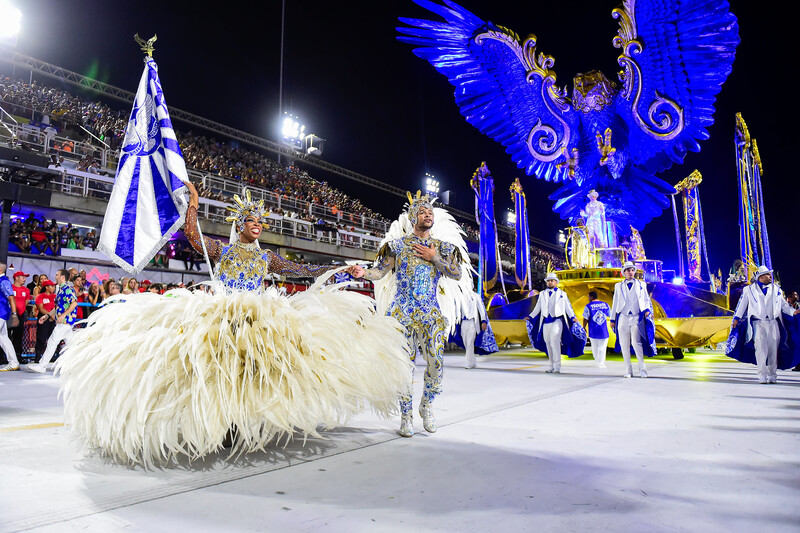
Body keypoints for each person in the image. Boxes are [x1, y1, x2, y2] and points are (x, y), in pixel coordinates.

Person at [55, 183, 411, 466]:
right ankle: (220, 427)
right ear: (240, 225)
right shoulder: (223, 251)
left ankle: (248, 426)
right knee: (216, 375)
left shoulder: (266, 257)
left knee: (254, 374)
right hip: (221, 321)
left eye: (261, 222)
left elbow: (303, 271)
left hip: (259, 323)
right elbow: (193, 238)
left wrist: (337, 269)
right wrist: (193, 203)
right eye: (252, 221)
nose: (258, 226)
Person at [351, 191, 470, 438]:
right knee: (404, 367)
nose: (428, 215)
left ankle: (426, 406)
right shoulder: (396, 246)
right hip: (401, 312)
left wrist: (434, 257)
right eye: (423, 212)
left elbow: (457, 274)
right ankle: (405, 415)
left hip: (430, 313)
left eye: (430, 212)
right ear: (413, 217)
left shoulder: (444, 248)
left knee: (436, 363)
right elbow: (380, 272)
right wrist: (364, 274)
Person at [728, 266, 800, 383]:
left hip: (773, 323)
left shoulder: (776, 289)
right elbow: (742, 305)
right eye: (768, 274)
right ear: (761, 277)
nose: (770, 276)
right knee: (760, 349)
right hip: (758, 323)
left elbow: (784, 306)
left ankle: (772, 375)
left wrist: (793, 312)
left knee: (773, 350)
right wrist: (736, 318)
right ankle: (762, 374)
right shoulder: (749, 290)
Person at [526, 272, 585, 373]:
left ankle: (557, 367)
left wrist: (572, 317)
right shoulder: (542, 294)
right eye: (548, 281)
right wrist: (530, 317)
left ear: (556, 282)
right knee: (548, 343)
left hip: (557, 320)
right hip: (545, 322)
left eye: (552, 281)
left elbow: (567, 307)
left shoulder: (562, 294)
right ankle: (551, 366)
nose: (550, 282)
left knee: (555, 341)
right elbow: (538, 308)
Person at [610, 262, 656, 378]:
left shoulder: (641, 284)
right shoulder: (618, 286)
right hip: (623, 316)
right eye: (628, 270)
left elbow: (646, 299)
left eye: (632, 270)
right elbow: (615, 302)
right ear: (624, 272)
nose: (630, 272)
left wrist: (648, 310)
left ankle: (642, 369)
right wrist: (612, 319)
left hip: (636, 316)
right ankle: (628, 370)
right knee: (624, 344)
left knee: (636, 343)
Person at [27, 269, 78, 373]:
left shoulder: (67, 289)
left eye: (57, 274)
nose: (55, 276)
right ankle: (77, 366)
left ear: (62, 277)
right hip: (65, 322)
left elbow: (74, 303)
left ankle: (42, 366)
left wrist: (63, 315)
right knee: (71, 346)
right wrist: (47, 316)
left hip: (64, 322)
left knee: (52, 342)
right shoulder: (61, 290)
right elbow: (58, 307)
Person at [460, 290, 498, 369]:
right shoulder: (460, 296)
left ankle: (468, 363)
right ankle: (473, 361)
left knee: (470, 343)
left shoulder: (476, 296)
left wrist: (483, 321)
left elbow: (481, 310)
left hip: (472, 322)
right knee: (466, 343)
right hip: (463, 323)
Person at [0, 263, 21, 371]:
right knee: (3, 338)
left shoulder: (3, 281)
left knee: (3, 338)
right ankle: (13, 362)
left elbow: (11, 298)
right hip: (1, 313)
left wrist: (14, 314)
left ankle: (14, 362)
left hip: (1, 313)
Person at [582, 291, 611, 368]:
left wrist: (584, 327)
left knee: (594, 347)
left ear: (591, 297)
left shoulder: (588, 306)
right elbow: (610, 315)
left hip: (593, 330)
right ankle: (601, 363)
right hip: (603, 330)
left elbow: (585, 318)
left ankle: (597, 361)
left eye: (588, 297)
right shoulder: (605, 305)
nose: (588, 298)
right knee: (602, 347)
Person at [34, 280, 57, 362]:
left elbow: (57, 307)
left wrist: (53, 316)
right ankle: (38, 356)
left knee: (53, 337)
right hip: (44, 318)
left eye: (54, 286)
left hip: (53, 318)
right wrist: (50, 315)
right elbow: (41, 308)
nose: (53, 287)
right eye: (51, 286)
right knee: (41, 338)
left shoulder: (55, 296)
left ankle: (52, 356)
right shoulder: (40, 296)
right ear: (46, 287)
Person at [9, 271, 31, 359]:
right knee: (6, 335)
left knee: (18, 336)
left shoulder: (26, 290)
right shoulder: (10, 287)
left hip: (20, 315)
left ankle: (17, 356)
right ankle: (4, 356)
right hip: (9, 315)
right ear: (16, 278)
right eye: (23, 277)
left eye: (25, 277)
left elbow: (26, 302)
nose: (24, 279)